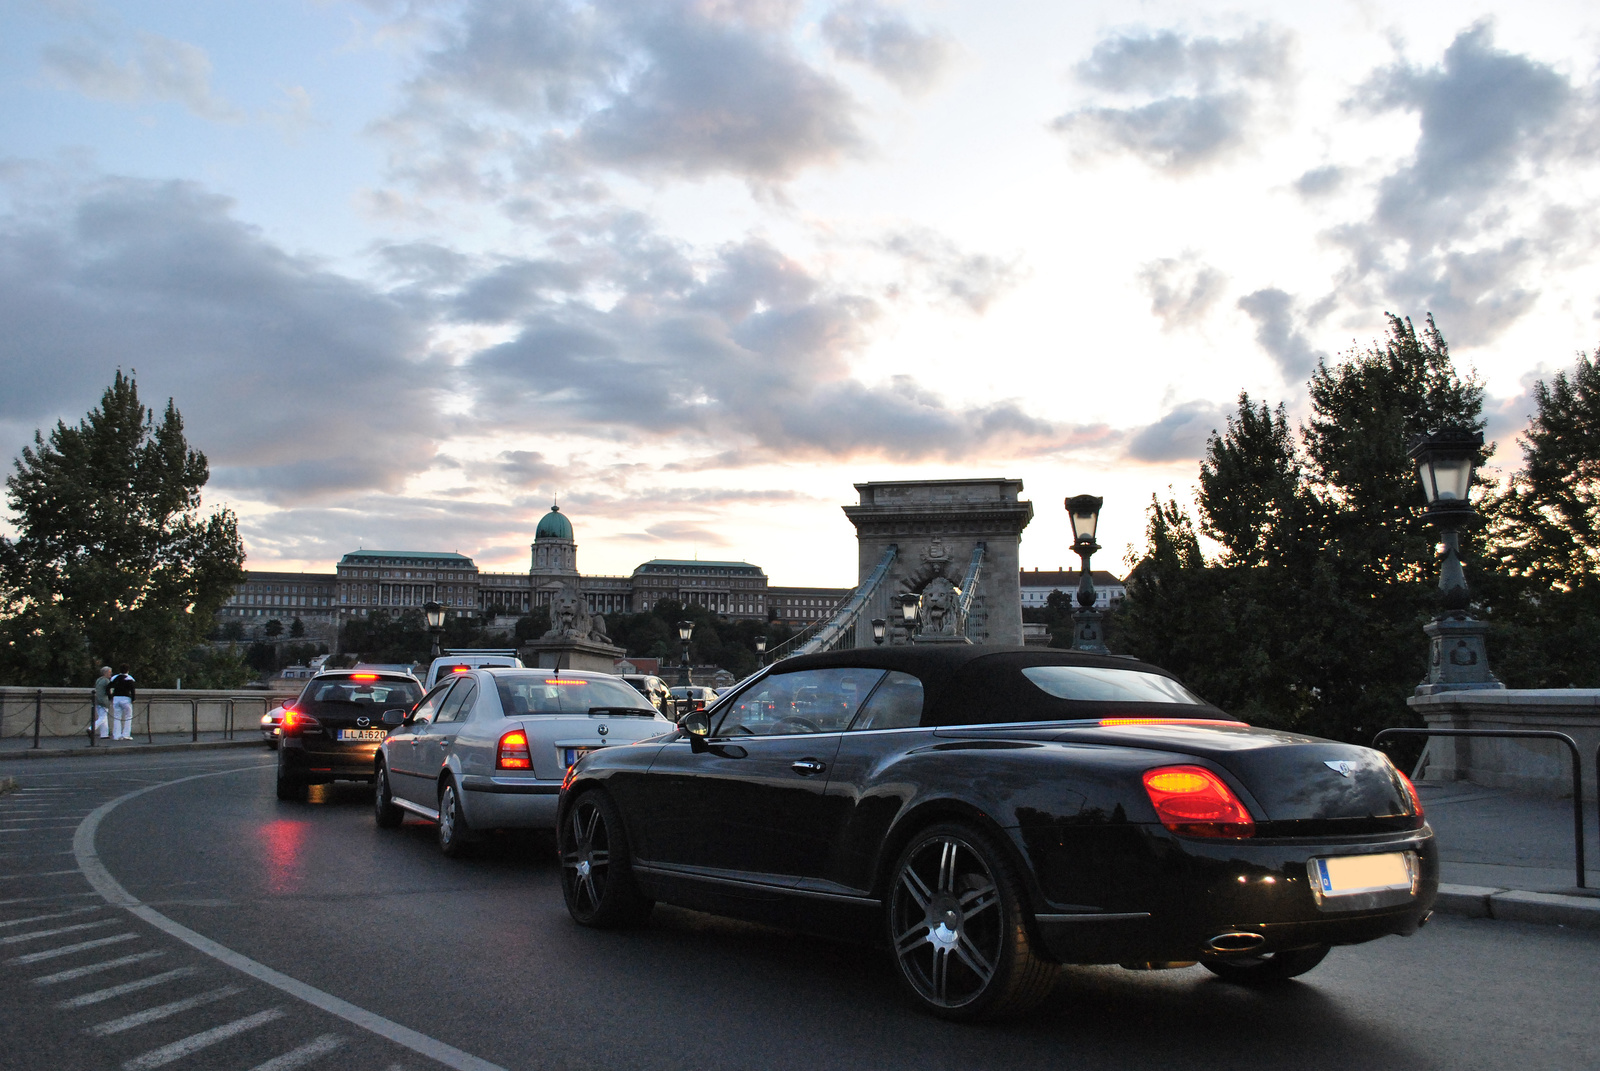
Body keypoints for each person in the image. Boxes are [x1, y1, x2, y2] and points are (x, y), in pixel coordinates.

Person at [108, 665, 136, 741]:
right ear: (128, 670)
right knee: (128, 717)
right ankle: (126, 734)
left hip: (116, 698)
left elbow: (108, 687)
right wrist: (133, 699)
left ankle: (116, 735)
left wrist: (110, 697)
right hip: (126, 699)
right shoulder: (129, 679)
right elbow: (132, 690)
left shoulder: (114, 678)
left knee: (117, 717)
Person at [92, 666, 113, 739]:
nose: (111, 674)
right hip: (104, 700)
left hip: (97, 700)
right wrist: (111, 698)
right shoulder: (106, 681)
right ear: (105, 673)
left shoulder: (98, 680)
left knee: (103, 717)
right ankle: (91, 728)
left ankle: (104, 734)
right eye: (109, 672)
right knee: (103, 718)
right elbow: (109, 691)